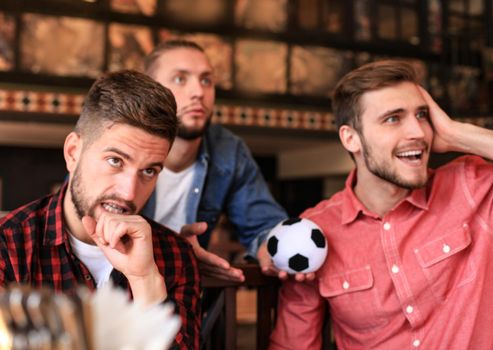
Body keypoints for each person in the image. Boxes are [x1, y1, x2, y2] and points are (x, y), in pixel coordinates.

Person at [269, 60, 493, 349]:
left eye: (422, 116)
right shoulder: (315, 231)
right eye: (393, 118)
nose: (418, 132)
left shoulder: (472, 187)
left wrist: (457, 133)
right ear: (351, 138)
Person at [0, 70, 200, 349]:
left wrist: (145, 280)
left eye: (149, 170)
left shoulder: (173, 255)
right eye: (115, 161)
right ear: (73, 152)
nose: (129, 192)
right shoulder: (8, 245)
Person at [142, 40, 291, 282]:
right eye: (180, 79)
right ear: (149, 89)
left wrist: (272, 247)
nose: (198, 92)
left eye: (206, 80)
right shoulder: (118, 142)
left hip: (184, 295)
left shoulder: (228, 150)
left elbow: (264, 225)